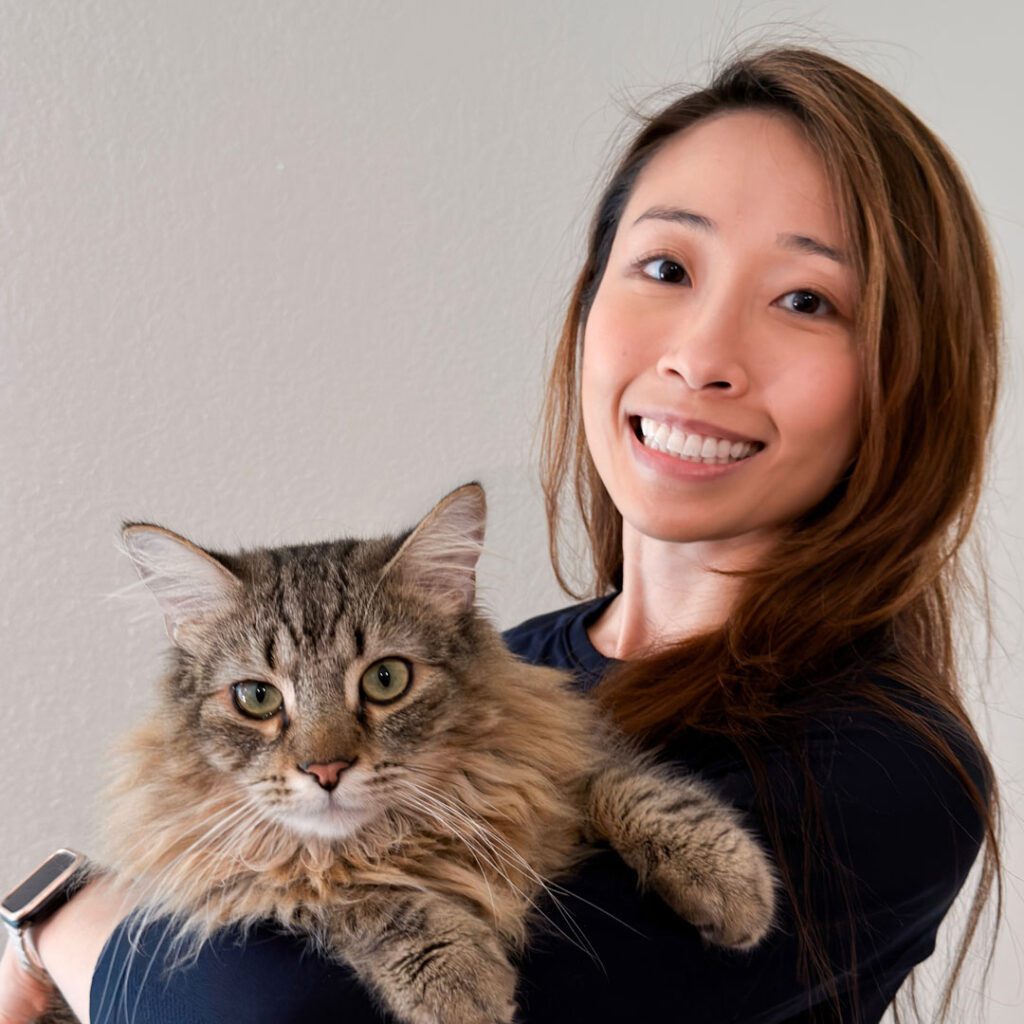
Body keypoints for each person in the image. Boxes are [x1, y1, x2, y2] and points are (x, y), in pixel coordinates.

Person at [0, 44, 1001, 1024]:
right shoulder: (496, 661)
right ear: (586, 302)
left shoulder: (891, 769)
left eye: (803, 299)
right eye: (664, 265)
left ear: (908, 381)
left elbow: (292, 1009)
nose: (702, 355)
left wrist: (59, 915)